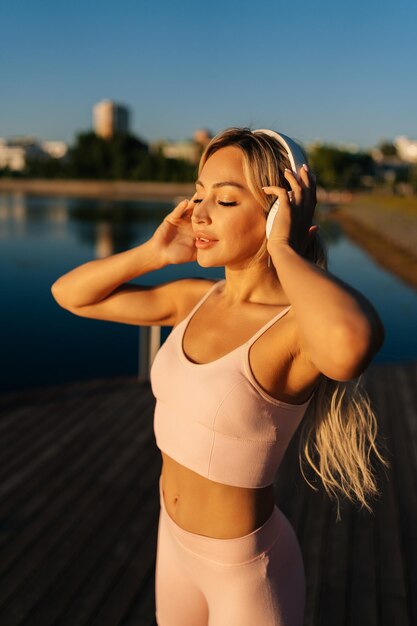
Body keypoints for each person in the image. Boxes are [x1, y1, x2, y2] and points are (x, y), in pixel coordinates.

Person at [51, 127, 389, 625]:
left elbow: (351, 343)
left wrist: (285, 250)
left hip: (246, 575)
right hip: (172, 539)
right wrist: (154, 253)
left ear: (280, 213)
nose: (199, 212)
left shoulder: (294, 329)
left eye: (226, 200)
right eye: (198, 193)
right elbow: (70, 294)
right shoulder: (194, 298)